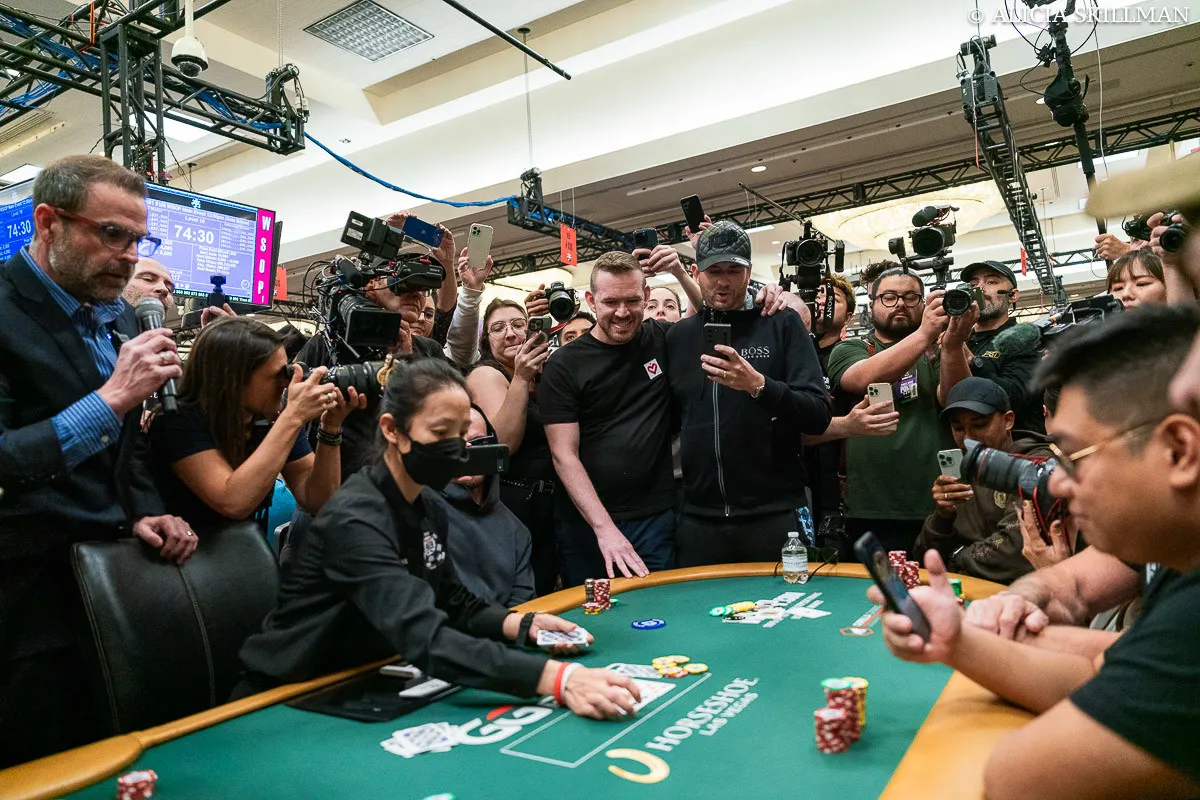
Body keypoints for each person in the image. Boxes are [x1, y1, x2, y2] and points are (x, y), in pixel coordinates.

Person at [873, 304, 1200, 800]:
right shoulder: (1177, 549)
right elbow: (1096, 660)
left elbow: (1017, 777)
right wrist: (957, 639)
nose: (1057, 484)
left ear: (1179, 451)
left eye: (1072, 456)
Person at [236, 358, 641, 720]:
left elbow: (451, 599)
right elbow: (425, 637)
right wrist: (559, 678)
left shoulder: (427, 503)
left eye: (462, 432)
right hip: (282, 697)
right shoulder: (356, 517)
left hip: (360, 677)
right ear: (393, 431)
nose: (457, 446)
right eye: (440, 431)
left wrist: (522, 624)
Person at [0, 155, 194, 767]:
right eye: (112, 234)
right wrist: (112, 397)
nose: (130, 256)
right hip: (23, 597)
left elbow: (124, 448)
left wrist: (142, 509)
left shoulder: (119, 315)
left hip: (111, 575)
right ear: (48, 222)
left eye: (139, 239)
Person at [665, 220, 831, 565]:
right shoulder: (678, 338)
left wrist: (758, 385)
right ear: (696, 273)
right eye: (714, 271)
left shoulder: (781, 323)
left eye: (733, 270)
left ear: (749, 273)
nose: (723, 281)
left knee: (790, 600)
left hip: (776, 516)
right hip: (699, 520)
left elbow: (818, 414)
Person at [539, 249, 684, 584]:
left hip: (655, 517)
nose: (622, 312)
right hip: (586, 526)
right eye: (610, 302)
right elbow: (563, 455)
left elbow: (708, 315)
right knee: (594, 614)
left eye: (632, 301)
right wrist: (604, 528)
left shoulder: (659, 338)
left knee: (661, 609)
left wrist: (680, 272)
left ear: (646, 296)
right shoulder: (564, 365)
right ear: (591, 301)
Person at [149, 317, 364, 529]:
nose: (285, 382)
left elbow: (319, 501)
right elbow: (233, 502)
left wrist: (331, 427)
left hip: (240, 547)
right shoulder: (177, 421)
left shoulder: (276, 419)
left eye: (286, 370)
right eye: (277, 375)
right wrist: (293, 417)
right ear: (235, 380)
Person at [826, 264, 953, 555]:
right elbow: (862, 378)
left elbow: (954, 398)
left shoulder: (939, 350)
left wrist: (953, 343)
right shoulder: (852, 348)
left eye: (911, 297)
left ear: (923, 304)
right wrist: (925, 334)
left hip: (936, 505)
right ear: (871, 304)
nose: (900, 304)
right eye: (889, 297)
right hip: (869, 507)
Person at [913, 377, 1053, 585]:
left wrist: (956, 556)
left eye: (980, 425)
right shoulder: (960, 467)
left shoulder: (1035, 465)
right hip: (964, 586)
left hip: (1018, 591)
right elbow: (923, 558)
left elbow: (1016, 551)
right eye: (958, 428)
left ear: (1008, 420)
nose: (968, 438)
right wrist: (943, 516)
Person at [466, 299, 555, 595]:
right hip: (514, 503)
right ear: (486, 340)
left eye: (518, 325)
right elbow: (501, 445)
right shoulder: (486, 374)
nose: (510, 334)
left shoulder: (538, 375)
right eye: (498, 328)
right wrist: (521, 377)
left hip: (546, 504)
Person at [430, 406, 535, 607]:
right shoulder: (422, 514)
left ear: (492, 447)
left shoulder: (516, 530)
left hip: (506, 624)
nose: (465, 453)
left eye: (478, 443)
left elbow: (523, 605)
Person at [938, 260, 1045, 435]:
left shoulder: (1024, 338)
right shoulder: (959, 339)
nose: (980, 289)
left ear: (1013, 295)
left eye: (991, 282)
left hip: (1017, 445)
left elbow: (1015, 398)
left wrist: (971, 361)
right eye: (973, 284)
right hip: (967, 446)